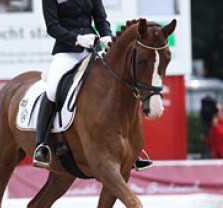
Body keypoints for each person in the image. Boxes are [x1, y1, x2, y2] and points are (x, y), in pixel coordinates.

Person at [33, 0, 153, 171]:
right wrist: (76, 39)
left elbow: (101, 20)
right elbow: (53, 27)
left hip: (93, 47)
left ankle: (133, 149)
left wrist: (106, 35)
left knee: (118, 83)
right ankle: (42, 145)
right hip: (67, 51)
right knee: (52, 89)